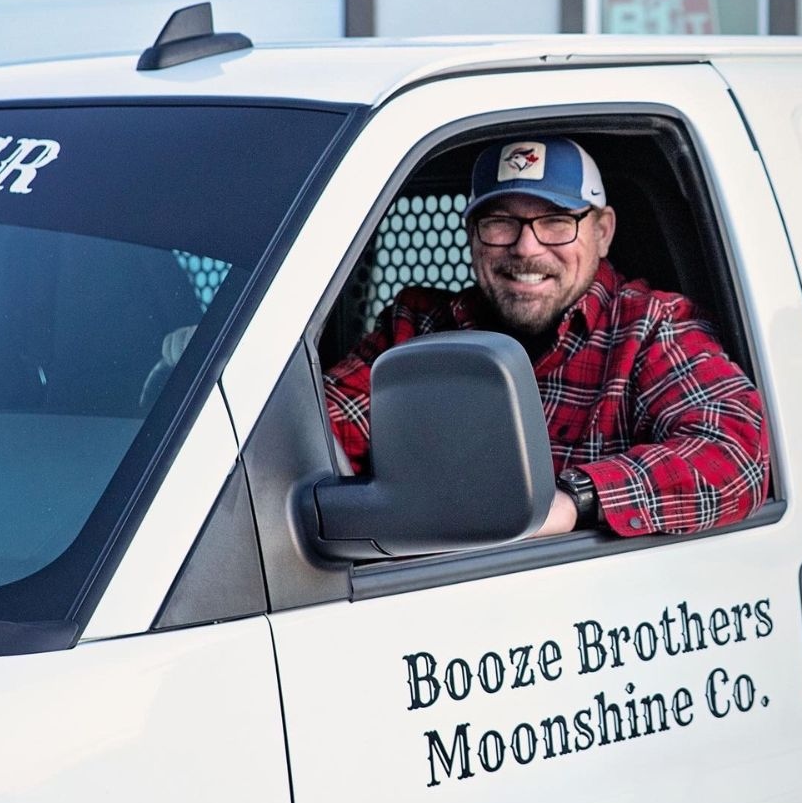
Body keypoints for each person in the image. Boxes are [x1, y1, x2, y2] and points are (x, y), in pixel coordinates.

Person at [323, 137, 769, 538]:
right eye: (500, 222)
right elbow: (315, 430)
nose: (526, 248)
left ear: (602, 231)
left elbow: (734, 454)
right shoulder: (416, 327)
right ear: (472, 236)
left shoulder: (652, 327)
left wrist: (576, 499)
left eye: (556, 221)